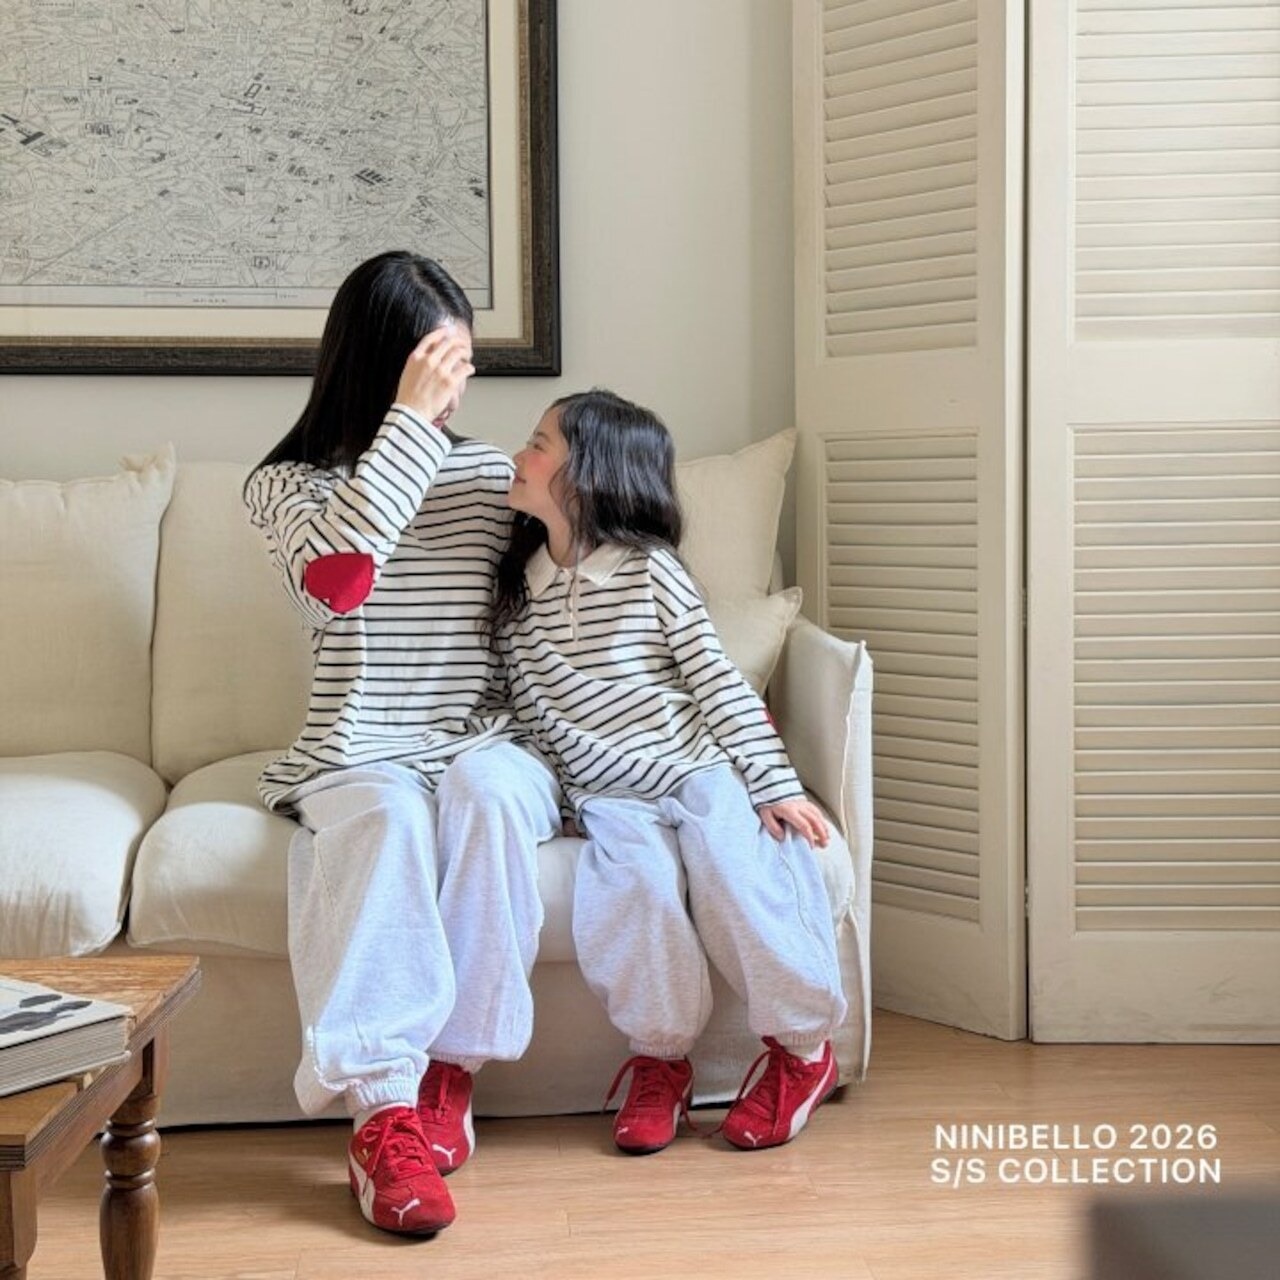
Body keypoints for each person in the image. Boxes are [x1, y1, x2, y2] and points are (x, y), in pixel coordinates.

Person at [243, 251, 561, 1235]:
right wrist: (409, 428)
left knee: (491, 794)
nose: (460, 383)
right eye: (440, 362)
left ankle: (448, 1070)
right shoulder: (287, 487)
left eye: (463, 363)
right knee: (385, 818)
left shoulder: (490, 476)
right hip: (360, 746)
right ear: (385, 361)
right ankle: (384, 1112)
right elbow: (339, 582)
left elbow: (579, 594)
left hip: (483, 735)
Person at [487, 388, 847, 1157]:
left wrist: (773, 783)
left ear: (593, 475)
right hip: (608, 797)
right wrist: (560, 792)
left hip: (695, 767)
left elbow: (717, 681)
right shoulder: (517, 595)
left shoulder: (652, 573)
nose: (519, 455)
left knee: (738, 869)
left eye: (539, 444)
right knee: (635, 896)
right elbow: (525, 711)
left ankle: (803, 1050)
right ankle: (661, 1060)